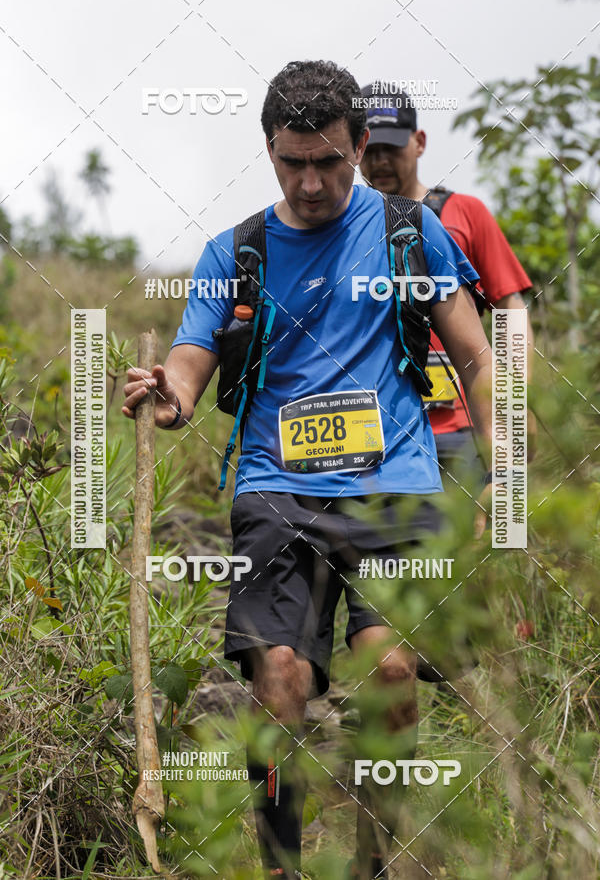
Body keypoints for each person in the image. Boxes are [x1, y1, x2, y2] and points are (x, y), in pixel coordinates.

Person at [123, 60, 493, 880]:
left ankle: (376, 857)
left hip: (395, 485)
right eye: (293, 163)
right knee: (280, 682)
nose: (312, 182)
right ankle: (282, 864)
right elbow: (189, 362)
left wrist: (502, 469)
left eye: (329, 160)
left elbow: (474, 355)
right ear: (269, 150)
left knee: (391, 670)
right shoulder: (235, 253)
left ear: (360, 145)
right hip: (277, 488)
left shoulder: (409, 233)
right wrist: (168, 395)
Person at [359, 82, 534, 477]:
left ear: (419, 142)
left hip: (464, 427)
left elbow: (510, 311)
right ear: (355, 150)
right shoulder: (348, 232)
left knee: (493, 513)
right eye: (371, 150)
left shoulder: (464, 213)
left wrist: (516, 403)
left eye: (392, 148)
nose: (381, 161)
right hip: (379, 437)